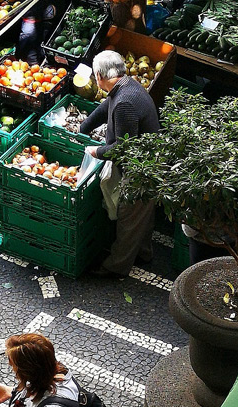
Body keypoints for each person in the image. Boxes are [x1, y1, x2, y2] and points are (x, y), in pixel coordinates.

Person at [79, 51, 160, 278]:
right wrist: (84, 126)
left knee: (129, 217)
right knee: (142, 215)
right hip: (148, 163)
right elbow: (106, 107)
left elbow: (124, 148)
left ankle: (116, 266)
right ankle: (144, 253)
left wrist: (96, 151)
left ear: (99, 75)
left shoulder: (125, 101)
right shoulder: (126, 86)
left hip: (142, 169)